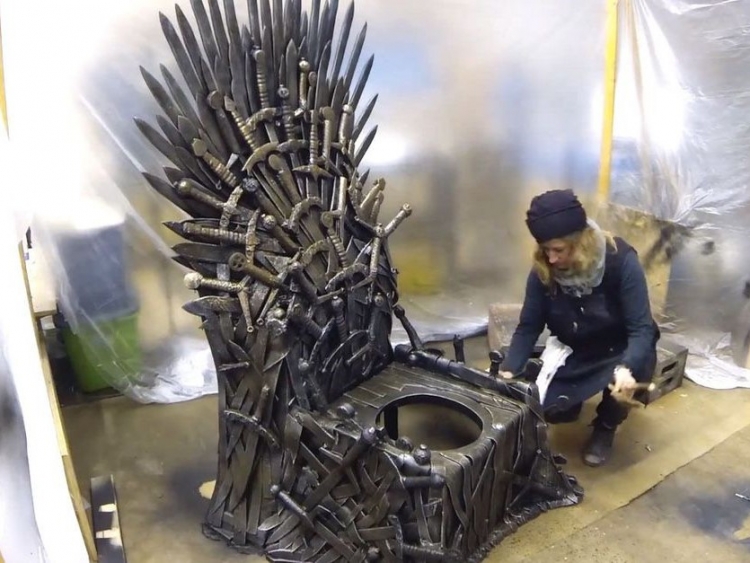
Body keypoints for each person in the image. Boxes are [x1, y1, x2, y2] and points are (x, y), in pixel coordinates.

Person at [499, 189, 660, 467]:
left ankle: (606, 426)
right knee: (548, 408)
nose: (551, 258)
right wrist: (509, 370)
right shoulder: (544, 269)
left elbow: (642, 329)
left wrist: (627, 367)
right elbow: (528, 326)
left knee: (631, 374)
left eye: (558, 250)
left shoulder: (621, 261)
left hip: (618, 347)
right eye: (545, 249)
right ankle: (571, 402)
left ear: (580, 242)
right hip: (575, 347)